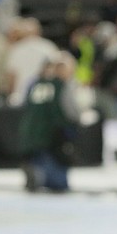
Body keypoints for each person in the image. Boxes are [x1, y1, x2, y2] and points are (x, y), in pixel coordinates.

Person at [17, 52, 82, 193]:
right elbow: (71, 112)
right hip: (53, 135)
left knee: (39, 160)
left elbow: (24, 105)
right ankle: (41, 176)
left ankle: (35, 171)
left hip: (30, 132)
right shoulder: (60, 86)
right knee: (59, 182)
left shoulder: (33, 84)